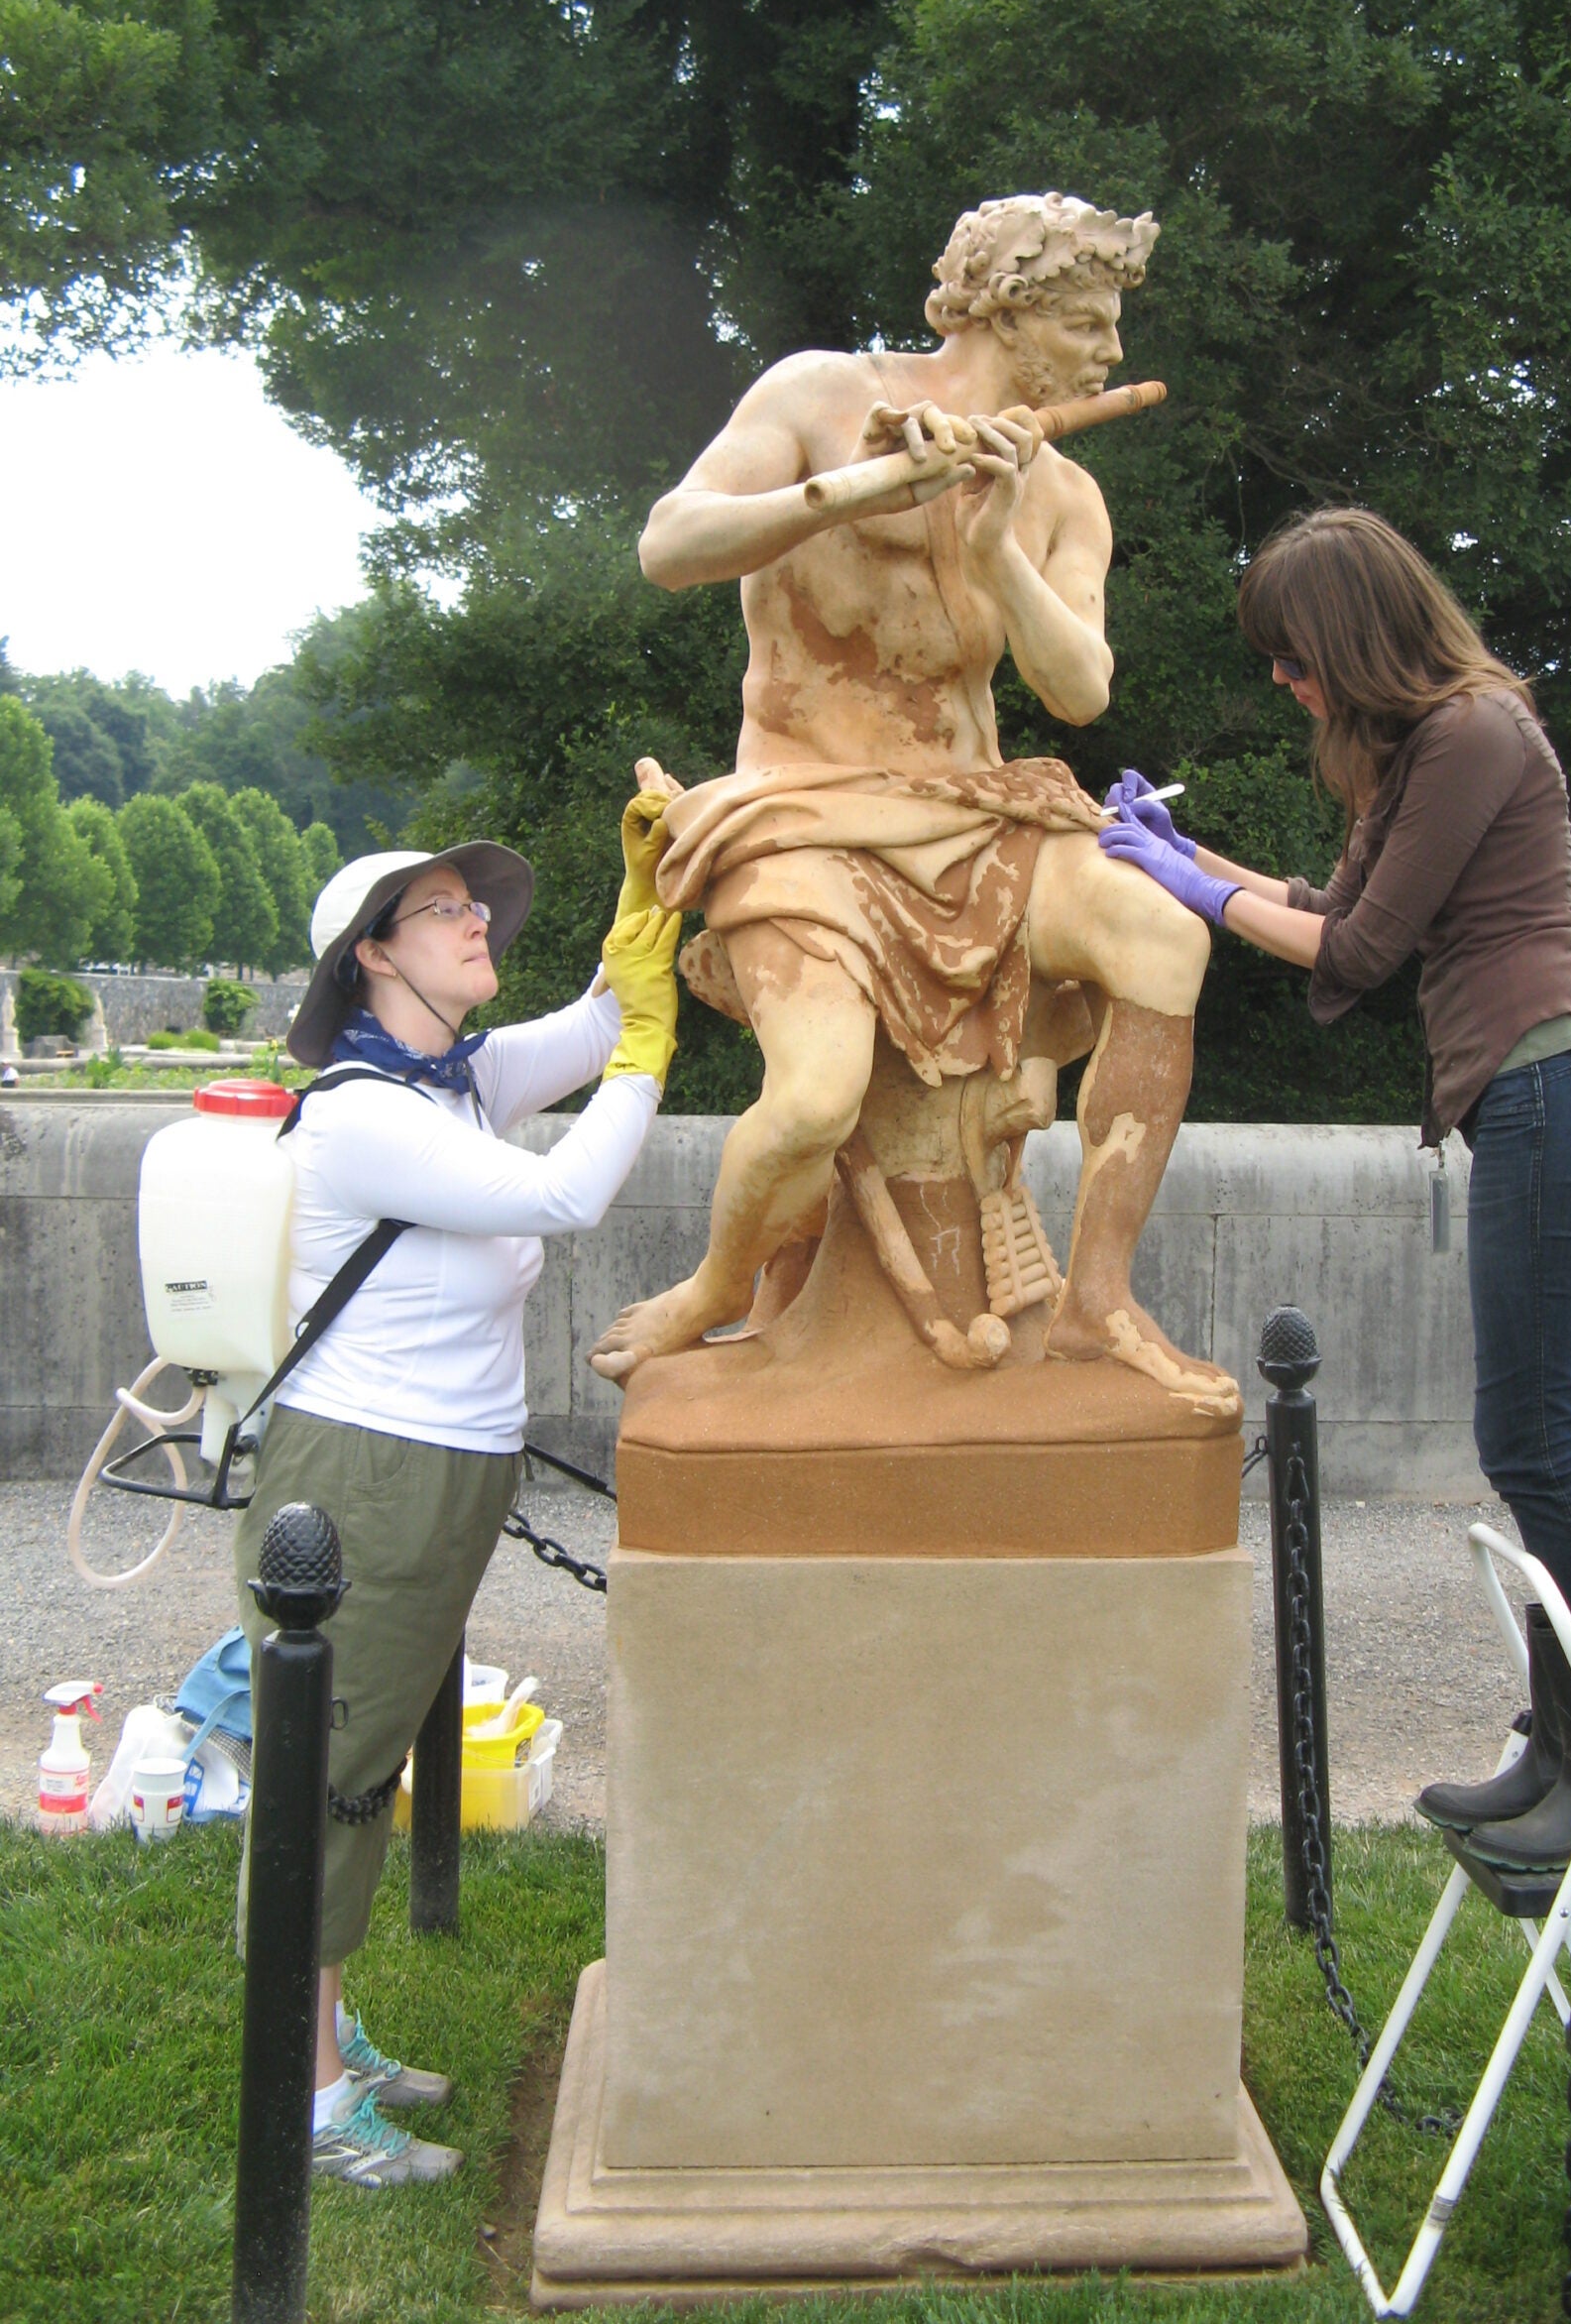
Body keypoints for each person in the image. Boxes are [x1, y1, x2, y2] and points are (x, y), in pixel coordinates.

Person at [588, 191, 1235, 1417]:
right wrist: (858, 491)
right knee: (816, 1095)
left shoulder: (1064, 494)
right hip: (805, 812)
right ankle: (718, 1282)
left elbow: (1082, 690)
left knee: (1165, 930)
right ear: (1008, 308)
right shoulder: (815, 395)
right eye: (1090, 325)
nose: (1110, 356)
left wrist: (993, 547)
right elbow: (670, 545)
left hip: (976, 810)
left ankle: (1099, 1296)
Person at [1099, 508, 1571, 1860]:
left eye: (1294, 659)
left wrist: (1182, 882)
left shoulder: (1476, 731)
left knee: (1537, 1445)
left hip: (1559, 1092)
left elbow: (1354, 948)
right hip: (1554, 1099)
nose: (1287, 684)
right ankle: (1567, 1746)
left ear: (1349, 636)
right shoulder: (1426, 750)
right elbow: (1320, 897)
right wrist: (1189, 863)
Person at [232, 779, 680, 2186]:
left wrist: (646, 891)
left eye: (472, 901)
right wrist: (652, 1058)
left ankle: (318, 2036)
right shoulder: (366, 1116)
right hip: (363, 1475)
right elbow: (565, 1193)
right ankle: (302, 2110)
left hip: (431, 1469)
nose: (476, 916)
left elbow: (599, 1019)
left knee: (353, 1768)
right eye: (443, 909)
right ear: (374, 952)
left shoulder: (448, 1083)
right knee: (334, 1774)